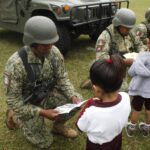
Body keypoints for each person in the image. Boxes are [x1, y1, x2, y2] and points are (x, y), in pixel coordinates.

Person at [4, 16, 83, 149]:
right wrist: (42, 112)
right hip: (28, 104)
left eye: (52, 42)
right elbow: (13, 100)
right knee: (45, 142)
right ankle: (15, 116)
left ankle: (58, 127)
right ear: (32, 42)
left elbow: (62, 78)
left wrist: (72, 96)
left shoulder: (54, 52)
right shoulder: (15, 64)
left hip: (46, 94)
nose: (50, 46)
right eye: (46, 44)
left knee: (77, 101)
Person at [81, 8, 147, 91]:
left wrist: (141, 53)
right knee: (123, 89)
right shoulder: (106, 36)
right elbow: (101, 59)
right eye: (126, 28)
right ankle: (95, 82)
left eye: (129, 28)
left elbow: (139, 45)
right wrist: (123, 62)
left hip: (128, 66)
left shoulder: (129, 32)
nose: (129, 30)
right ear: (118, 24)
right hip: (112, 68)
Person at [77, 54, 131, 150]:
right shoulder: (126, 97)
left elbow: (80, 126)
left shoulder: (92, 110)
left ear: (96, 89)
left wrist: (88, 104)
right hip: (116, 138)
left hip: (97, 146)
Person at [125, 31, 150, 138]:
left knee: (137, 109)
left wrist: (134, 62)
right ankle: (146, 128)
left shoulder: (142, 56)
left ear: (148, 43)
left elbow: (132, 72)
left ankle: (131, 127)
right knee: (149, 109)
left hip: (139, 89)